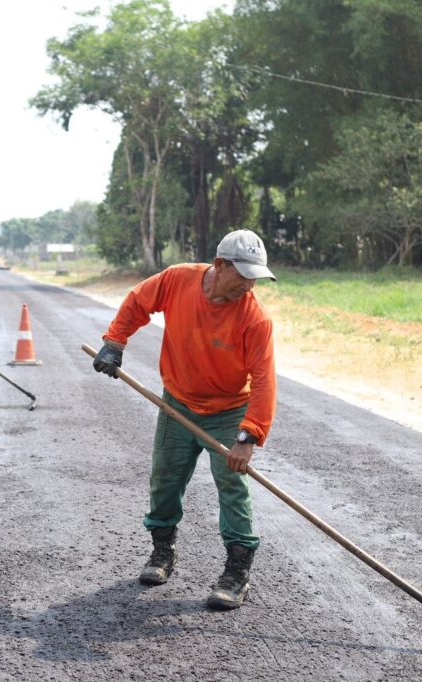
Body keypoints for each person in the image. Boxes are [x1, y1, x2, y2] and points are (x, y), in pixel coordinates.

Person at [92, 229, 277, 610]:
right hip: (177, 404)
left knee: (232, 485)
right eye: (242, 275)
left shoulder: (254, 318)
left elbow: (263, 379)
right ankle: (162, 553)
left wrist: (248, 436)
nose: (248, 285)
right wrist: (115, 343)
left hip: (228, 412)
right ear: (220, 265)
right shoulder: (178, 279)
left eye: (254, 277)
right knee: (164, 478)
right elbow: (137, 302)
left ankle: (237, 573)